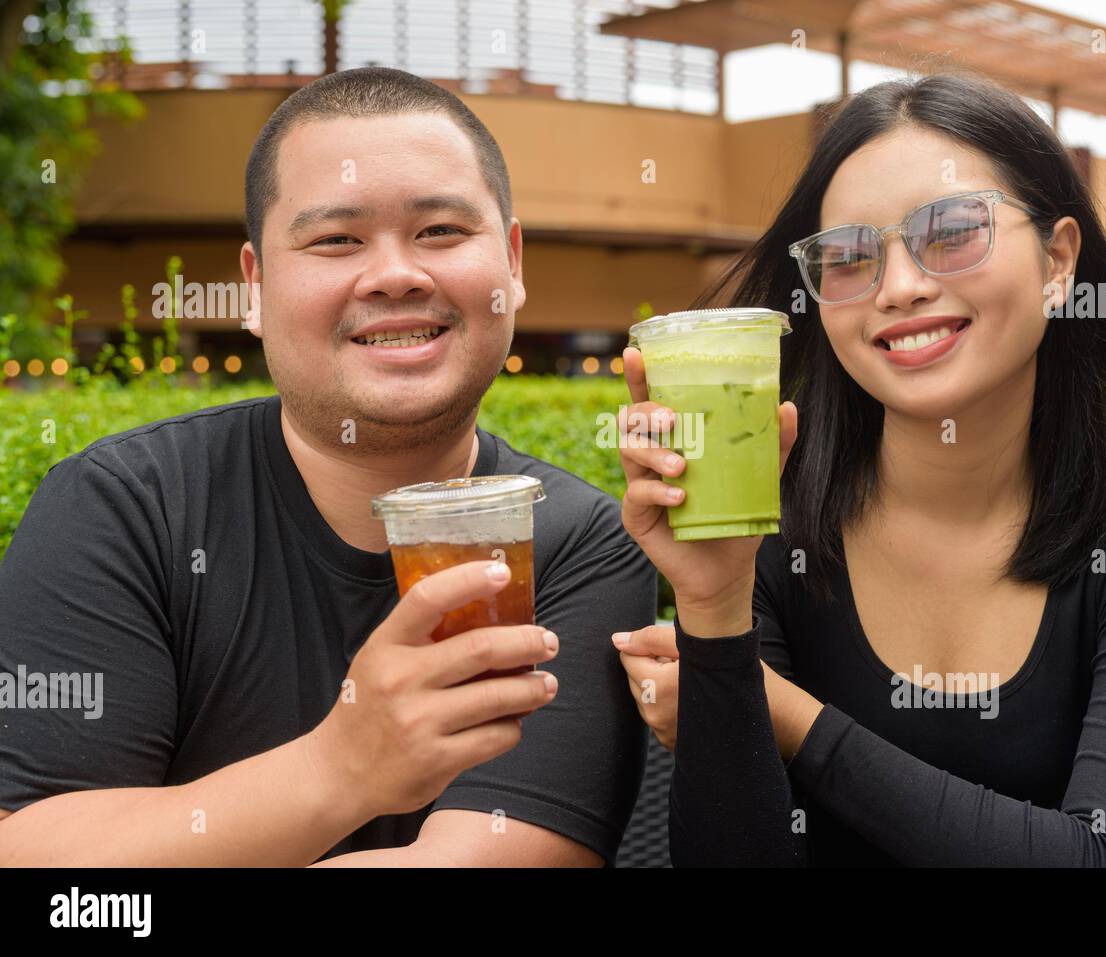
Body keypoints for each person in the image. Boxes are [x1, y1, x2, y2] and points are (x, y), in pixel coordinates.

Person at [0, 67, 656, 867]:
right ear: (255, 284)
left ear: (511, 262)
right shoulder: (123, 509)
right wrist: (341, 767)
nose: (394, 273)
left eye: (442, 231)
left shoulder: (576, 540)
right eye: (336, 239)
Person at [612, 71, 1106, 866]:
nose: (899, 287)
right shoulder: (774, 515)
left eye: (954, 229)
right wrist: (716, 608)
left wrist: (797, 721)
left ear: (1058, 260)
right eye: (847, 255)